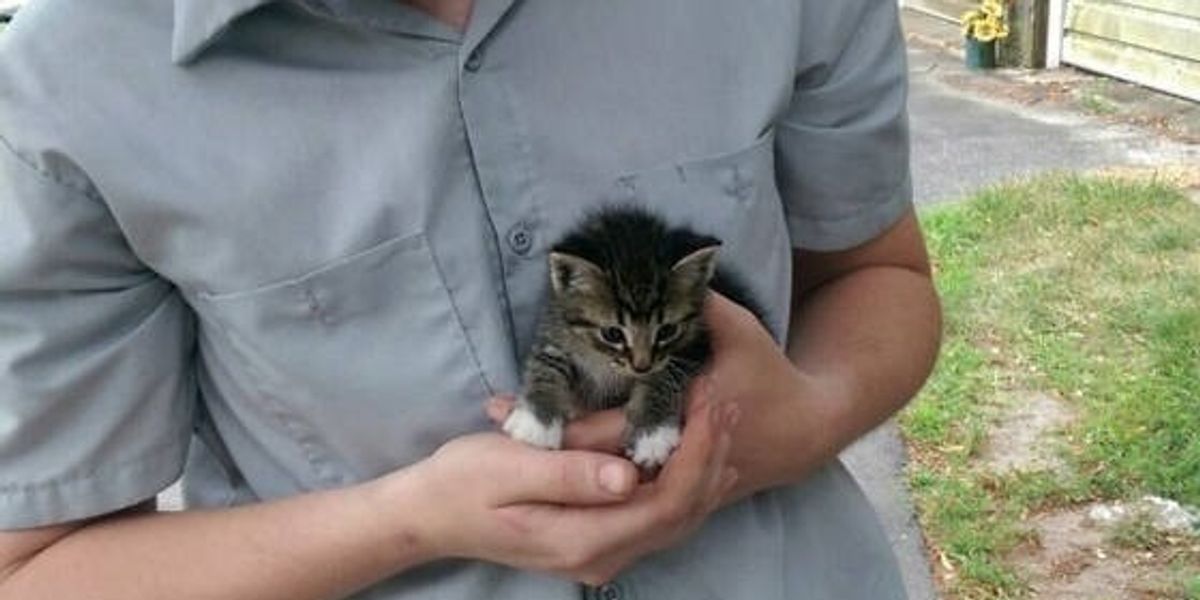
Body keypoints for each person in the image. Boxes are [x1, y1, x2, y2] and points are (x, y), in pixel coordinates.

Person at [0, 0, 942, 598]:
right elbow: (38, 569)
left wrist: (807, 415)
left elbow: (878, 276)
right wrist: (408, 521)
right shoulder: (67, 87)